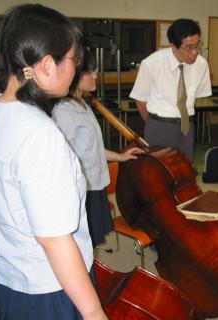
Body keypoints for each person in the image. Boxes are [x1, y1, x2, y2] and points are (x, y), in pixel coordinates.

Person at [0, 4, 107, 319]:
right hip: (49, 290)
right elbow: (55, 241)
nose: (77, 69)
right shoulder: (41, 136)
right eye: (75, 60)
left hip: (3, 281)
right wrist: (93, 311)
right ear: (47, 66)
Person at [52, 49, 143, 248]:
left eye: (96, 71)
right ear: (73, 75)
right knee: (82, 243)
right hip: (81, 188)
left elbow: (92, 149)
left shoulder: (83, 104)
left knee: (92, 240)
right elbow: (64, 158)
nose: (95, 76)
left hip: (95, 185)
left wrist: (120, 157)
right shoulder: (63, 112)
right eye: (89, 72)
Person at [130, 18, 212, 159]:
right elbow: (140, 100)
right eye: (189, 47)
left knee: (185, 170)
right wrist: (155, 123)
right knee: (158, 172)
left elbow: (196, 96)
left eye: (198, 45)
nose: (195, 52)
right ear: (173, 46)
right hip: (159, 125)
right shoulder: (151, 64)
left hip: (187, 127)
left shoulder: (201, 64)